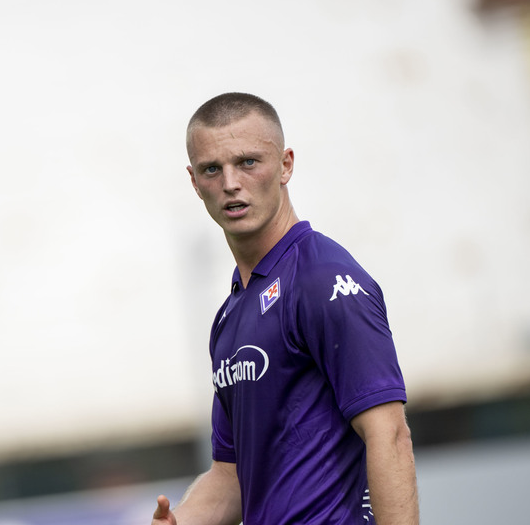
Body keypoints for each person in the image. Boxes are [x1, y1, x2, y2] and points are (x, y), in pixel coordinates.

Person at [152, 93, 419, 524]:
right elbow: (232, 475)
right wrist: (180, 522)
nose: (230, 183)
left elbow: (389, 435)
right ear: (194, 180)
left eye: (248, 162)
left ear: (286, 165)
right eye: (212, 169)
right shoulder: (229, 317)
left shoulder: (323, 280)